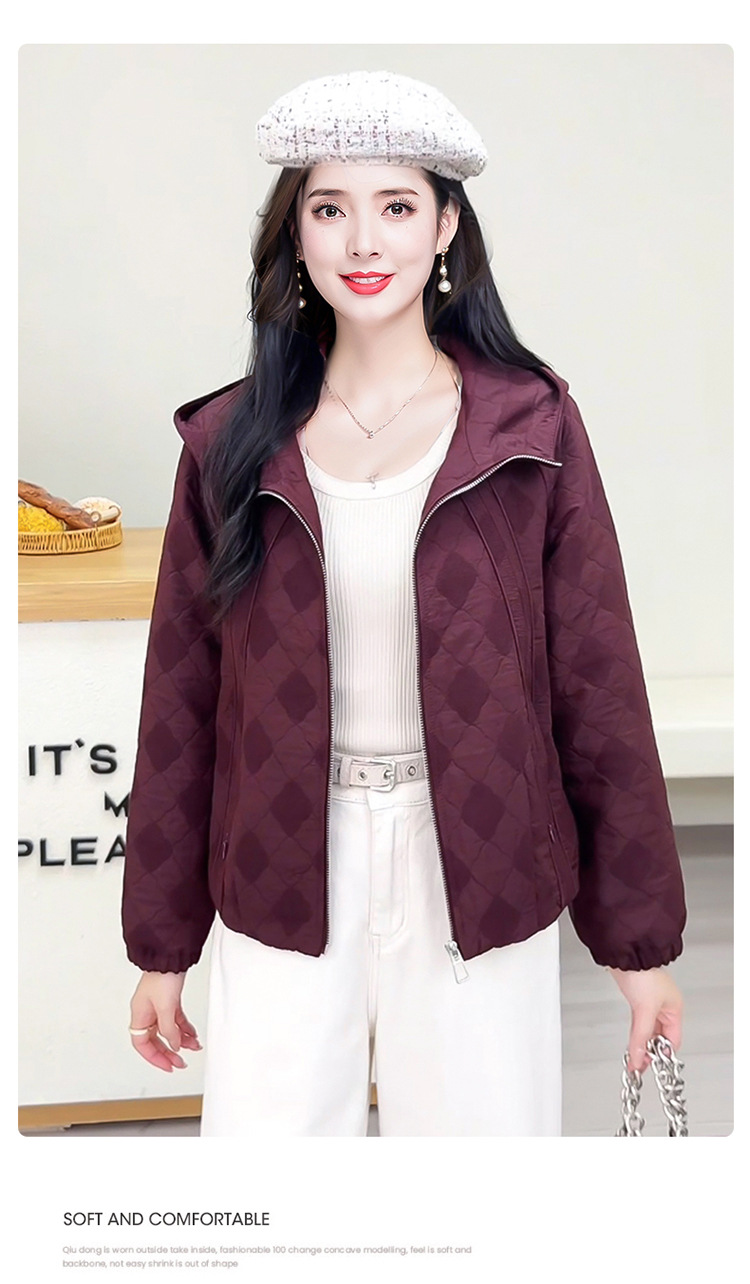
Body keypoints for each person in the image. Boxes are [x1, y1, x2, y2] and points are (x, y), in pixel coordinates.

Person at [121, 69, 687, 1137]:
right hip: (283, 851)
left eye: (395, 206)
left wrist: (640, 947)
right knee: (269, 1180)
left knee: (480, 1182)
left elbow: (599, 683)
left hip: (480, 847)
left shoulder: (531, 430)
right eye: (329, 209)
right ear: (294, 235)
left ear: (445, 227)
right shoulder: (230, 443)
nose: (362, 241)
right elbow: (182, 703)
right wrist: (162, 945)